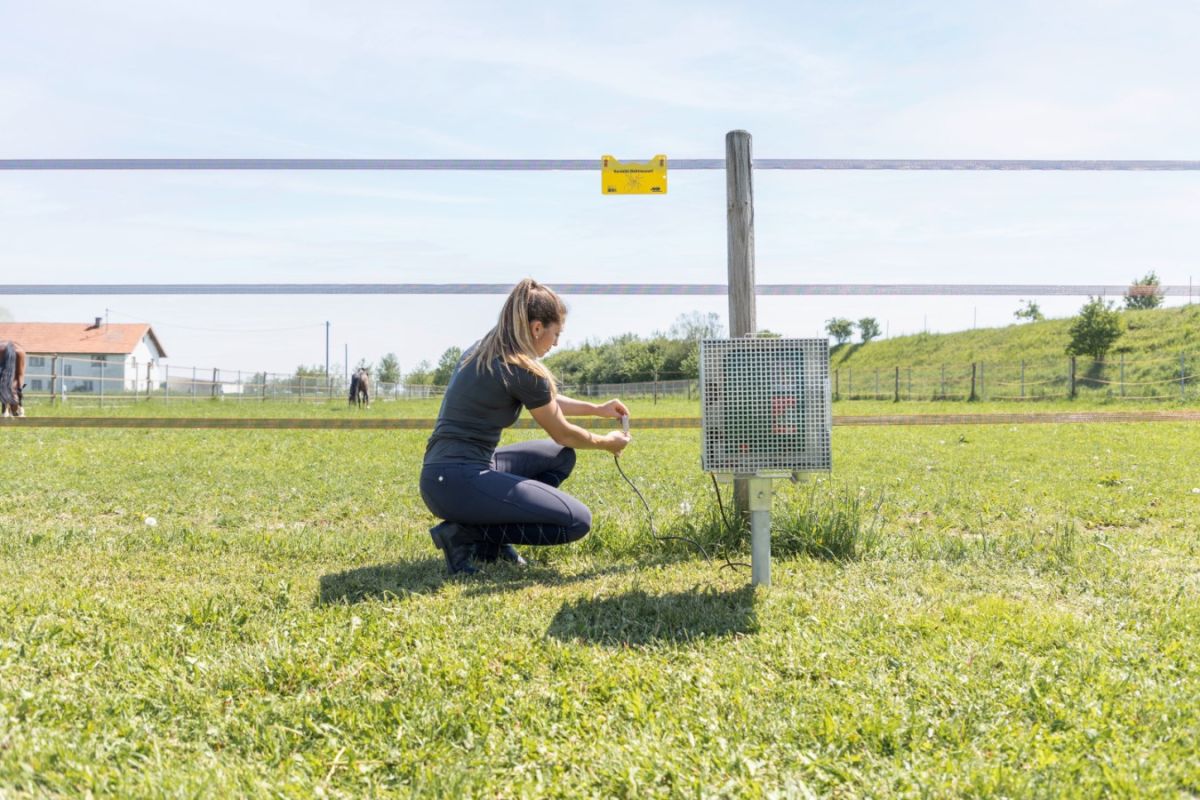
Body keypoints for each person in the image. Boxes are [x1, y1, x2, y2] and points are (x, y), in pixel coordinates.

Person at [419, 278, 631, 575]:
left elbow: (547, 400)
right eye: (556, 334)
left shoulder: (483, 349)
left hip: (442, 476)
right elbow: (563, 431)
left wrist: (596, 409)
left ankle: (489, 544)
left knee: (560, 455)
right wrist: (607, 443)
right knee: (577, 520)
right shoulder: (519, 368)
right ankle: (467, 535)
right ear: (536, 328)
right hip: (458, 481)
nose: (556, 343)